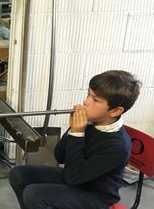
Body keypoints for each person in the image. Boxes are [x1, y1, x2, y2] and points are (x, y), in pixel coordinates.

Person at [9, 70, 141, 209]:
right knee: (19, 175)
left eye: (95, 100)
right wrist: (73, 129)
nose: (86, 101)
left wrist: (77, 134)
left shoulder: (118, 147)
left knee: (34, 195)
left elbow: (73, 177)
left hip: (96, 196)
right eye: (88, 94)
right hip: (77, 177)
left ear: (115, 111)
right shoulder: (92, 123)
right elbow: (59, 156)